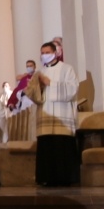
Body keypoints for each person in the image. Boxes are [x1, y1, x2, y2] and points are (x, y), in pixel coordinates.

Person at [29, 40, 80, 187]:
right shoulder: (40, 72)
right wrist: (34, 88)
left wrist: (50, 83)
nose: (44, 55)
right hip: (45, 113)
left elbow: (73, 89)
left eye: (47, 53)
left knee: (61, 145)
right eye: (42, 53)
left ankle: (66, 178)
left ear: (55, 53)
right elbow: (34, 95)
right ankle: (46, 177)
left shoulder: (67, 69)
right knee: (47, 145)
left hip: (61, 114)